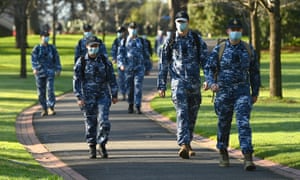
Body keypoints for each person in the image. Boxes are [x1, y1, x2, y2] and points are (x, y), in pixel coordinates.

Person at [203, 18, 260, 171]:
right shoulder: (220, 49)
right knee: (224, 123)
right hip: (224, 92)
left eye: (238, 29)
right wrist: (211, 82)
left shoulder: (248, 49)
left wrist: (255, 92)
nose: (235, 32)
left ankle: (247, 157)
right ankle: (223, 151)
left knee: (243, 123)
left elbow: (254, 72)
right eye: (232, 29)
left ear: (242, 31)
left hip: (242, 91)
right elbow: (209, 68)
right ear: (228, 31)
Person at [157, 11, 208, 159]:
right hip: (178, 83)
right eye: (178, 21)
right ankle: (183, 144)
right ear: (175, 23)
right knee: (182, 112)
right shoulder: (170, 40)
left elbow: (205, 61)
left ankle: (188, 142)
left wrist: (209, 79)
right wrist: (161, 85)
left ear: (188, 22)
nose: (181, 24)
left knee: (192, 115)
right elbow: (163, 64)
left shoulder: (197, 40)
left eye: (183, 21)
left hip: (194, 84)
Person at [73, 35, 118, 159]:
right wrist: (79, 97)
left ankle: (102, 144)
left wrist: (114, 94)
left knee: (104, 121)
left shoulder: (105, 61)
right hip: (88, 97)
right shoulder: (81, 62)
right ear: (87, 47)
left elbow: (112, 78)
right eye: (92, 46)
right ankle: (92, 145)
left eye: (96, 46)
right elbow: (76, 80)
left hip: (103, 95)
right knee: (90, 122)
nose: (94, 48)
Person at [117, 22, 150, 114]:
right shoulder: (124, 41)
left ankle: (138, 106)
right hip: (128, 68)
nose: (133, 30)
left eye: (135, 28)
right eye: (131, 28)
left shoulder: (142, 41)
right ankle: (130, 104)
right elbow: (120, 54)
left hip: (139, 68)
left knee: (138, 87)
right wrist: (121, 64)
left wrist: (147, 68)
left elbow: (146, 55)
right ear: (128, 29)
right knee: (130, 88)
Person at [31, 30, 62, 117]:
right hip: (39, 73)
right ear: (41, 37)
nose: (46, 38)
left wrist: (58, 69)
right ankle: (44, 108)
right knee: (41, 92)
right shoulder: (37, 48)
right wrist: (35, 68)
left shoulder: (52, 48)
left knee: (50, 89)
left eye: (47, 36)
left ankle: (51, 108)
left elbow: (56, 59)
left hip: (50, 72)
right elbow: (33, 60)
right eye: (45, 36)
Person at [111, 26, 127, 100]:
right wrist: (114, 58)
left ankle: (129, 93)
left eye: (121, 32)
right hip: (120, 62)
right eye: (118, 32)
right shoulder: (116, 41)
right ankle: (123, 93)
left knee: (128, 79)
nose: (119, 33)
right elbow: (114, 50)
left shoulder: (128, 40)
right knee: (121, 79)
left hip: (129, 63)